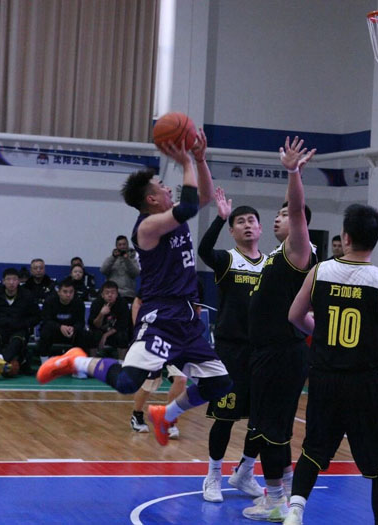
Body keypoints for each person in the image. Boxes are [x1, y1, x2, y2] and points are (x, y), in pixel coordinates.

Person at [37, 130, 233, 447]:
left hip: (186, 317)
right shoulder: (148, 227)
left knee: (220, 383)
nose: (168, 187)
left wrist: (199, 159)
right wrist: (185, 161)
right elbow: (190, 206)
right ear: (152, 199)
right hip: (162, 314)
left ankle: (166, 414)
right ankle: (76, 360)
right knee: (129, 382)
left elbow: (205, 197)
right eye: (162, 185)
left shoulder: (171, 215)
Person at [284, 204, 378, 525]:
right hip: (363, 383)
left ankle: (294, 511)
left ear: (346, 237)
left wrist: (319, 331)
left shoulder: (319, 271)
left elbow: (295, 316)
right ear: (375, 240)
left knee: (313, 450)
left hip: (323, 378)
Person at [242, 137, 317, 522]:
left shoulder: (299, 250)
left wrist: (292, 174)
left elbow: (299, 210)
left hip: (279, 354)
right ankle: (284, 492)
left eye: (285, 215)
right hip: (271, 353)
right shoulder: (278, 254)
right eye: (278, 213)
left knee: (269, 429)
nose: (278, 218)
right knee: (274, 428)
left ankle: (274, 501)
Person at [197, 187, 266, 502]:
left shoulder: (271, 265)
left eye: (252, 221)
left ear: (260, 228)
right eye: (240, 222)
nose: (247, 225)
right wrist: (219, 217)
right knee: (224, 417)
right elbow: (204, 250)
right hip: (230, 351)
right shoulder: (227, 260)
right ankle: (213, 475)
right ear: (232, 231)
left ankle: (245, 471)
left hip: (262, 352)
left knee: (261, 420)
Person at [128, 296, 186, 439]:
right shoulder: (156, 284)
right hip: (153, 336)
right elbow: (137, 302)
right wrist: (138, 327)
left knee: (181, 378)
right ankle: (137, 414)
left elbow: (196, 309)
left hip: (177, 338)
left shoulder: (192, 286)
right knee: (149, 382)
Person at [0, 268, 41, 379]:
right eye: (8, 279)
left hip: (19, 329)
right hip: (1, 327)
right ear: (3, 281)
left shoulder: (27, 295)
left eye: (14, 279)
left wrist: (23, 323)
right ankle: (0, 361)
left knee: (17, 341)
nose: (11, 282)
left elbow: (37, 316)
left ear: (18, 281)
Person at [37, 278, 87, 363]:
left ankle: (79, 364)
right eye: (65, 292)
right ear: (59, 292)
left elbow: (81, 322)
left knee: (83, 334)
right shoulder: (49, 302)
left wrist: (74, 328)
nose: (68, 295)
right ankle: (44, 363)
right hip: (54, 332)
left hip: (71, 333)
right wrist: (60, 327)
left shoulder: (79, 303)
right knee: (45, 332)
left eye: (71, 292)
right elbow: (46, 321)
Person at [86, 281, 131, 358]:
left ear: (117, 294)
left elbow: (122, 325)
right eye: (107, 293)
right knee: (92, 335)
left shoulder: (122, 303)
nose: (110, 295)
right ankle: (92, 361)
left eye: (113, 293)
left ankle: (122, 362)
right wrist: (101, 314)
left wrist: (105, 335)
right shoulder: (96, 303)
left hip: (115, 332)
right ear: (102, 295)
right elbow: (94, 325)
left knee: (123, 335)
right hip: (99, 331)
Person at [100, 235, 140, 302]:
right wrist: (113, 257)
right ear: (116, 246)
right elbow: (103, 270)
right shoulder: (111, 259)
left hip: (128, 294)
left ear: (127, 245)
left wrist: (127, 260)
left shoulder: (133, 259)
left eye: (124, 244)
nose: (122, 247)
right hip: (112, 294)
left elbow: (136, 273)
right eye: (120, 245)